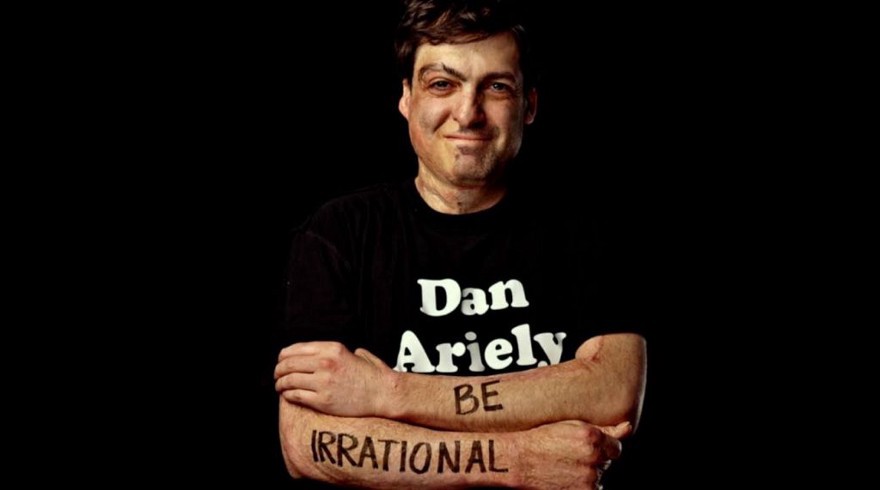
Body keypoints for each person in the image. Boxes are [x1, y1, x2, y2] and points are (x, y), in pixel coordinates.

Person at [273, 0, 647, 488]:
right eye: (442, 84)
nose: (468, 114)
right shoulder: (340, 232)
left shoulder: (589, 232)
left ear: (529, 105)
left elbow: (612, 390)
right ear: (407, 98)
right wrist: (519, 459)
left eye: (496, 87)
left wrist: (389, 392)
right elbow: (307, 443)